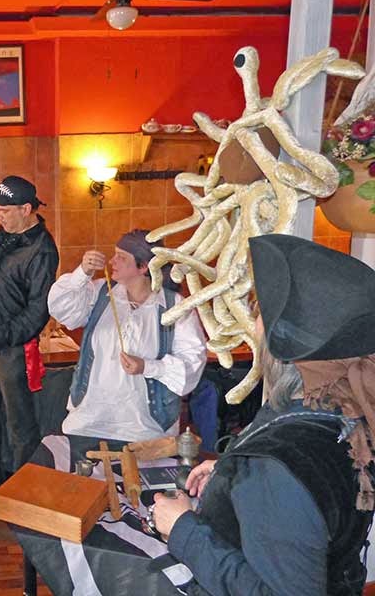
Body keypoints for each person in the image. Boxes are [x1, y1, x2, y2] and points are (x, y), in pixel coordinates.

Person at [152, 234, 375, 595]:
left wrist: (183, 529)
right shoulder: (345, 409)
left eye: (258, 313)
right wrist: (232, 476)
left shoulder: (275, 469)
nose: (253, 322)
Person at [43, 229, 206, 462]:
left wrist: (147, 367)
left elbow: (192, 364)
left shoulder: (174, 306)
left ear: (143, 267)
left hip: (145, 431)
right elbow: (60, 307)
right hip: (89, 422)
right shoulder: (100, 293)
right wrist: (83, 273)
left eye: (121, 257)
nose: (112, 261)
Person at [0, 175, 59, 499]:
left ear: (26, 209)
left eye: (3, 211)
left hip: (15, 349)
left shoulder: (42, 250)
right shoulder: (6, 233)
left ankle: (23, 496)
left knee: (20, 426)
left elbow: (38, 312)